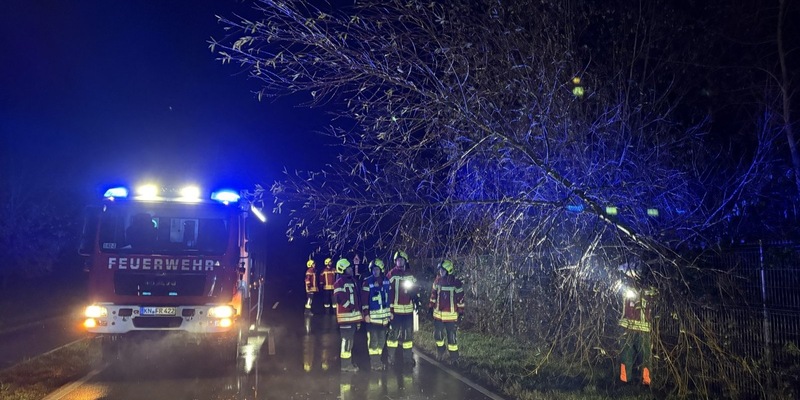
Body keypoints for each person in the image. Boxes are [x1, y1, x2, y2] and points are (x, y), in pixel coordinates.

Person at [617, 263, 656, 386]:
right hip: (627, 327)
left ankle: (646, 382)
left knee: (645, 358)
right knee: (626, 356)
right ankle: (624, 381)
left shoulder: (650, 290)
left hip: (642, 330)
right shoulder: (624, 289)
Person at [386, 250, 419, 369]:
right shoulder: (391, 274)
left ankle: (407, 359)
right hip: (395, 311)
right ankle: (391, 358)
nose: (399, 261)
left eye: (401, 260)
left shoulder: (410, 274)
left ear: (405, 261)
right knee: (393, 336)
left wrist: (414, 293)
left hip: (408, 311)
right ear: (395, 261)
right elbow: (387, 292)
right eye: (398, 260)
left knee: (408, 337)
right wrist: (389, 310)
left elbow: (416, 287)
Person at [428, 259, 465, 363]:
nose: (441, 272)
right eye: (440, 270)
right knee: (437, 336)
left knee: (452, 338)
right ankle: (441, 350)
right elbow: (433, 295)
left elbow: (460, 299)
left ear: (448, 271)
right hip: (438, 315)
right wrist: (430, 307)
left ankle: (454, 358)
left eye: (443, 270)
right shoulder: (437, 281)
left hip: (451, 316)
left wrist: (461, 312)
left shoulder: (456, 283)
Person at [361, 258, 391, 371]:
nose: (375, 271)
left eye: (377, 269)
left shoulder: (386, 281)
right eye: (373, 269)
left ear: (381, 270)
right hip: (372, 318)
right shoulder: (367, 281)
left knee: (382, 340)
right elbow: (364, 300)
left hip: (384, 319)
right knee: (373, 340)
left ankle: (377, 359)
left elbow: (390, 298)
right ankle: (374, 362)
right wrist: (366, 314)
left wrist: (390, 313)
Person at [334, 258, 363, 372]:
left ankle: (348, 362)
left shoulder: (353, 281)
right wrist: (351, 307)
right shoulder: (339, 283)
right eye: (348, 268)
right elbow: (339, 298)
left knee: (350, 341)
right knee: (346, 341)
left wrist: (358, 317)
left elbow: (358, 299)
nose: (351, 270)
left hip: (353, 318)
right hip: (345, 317)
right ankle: (345, 365)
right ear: (343, 269)